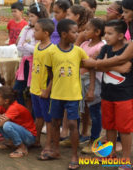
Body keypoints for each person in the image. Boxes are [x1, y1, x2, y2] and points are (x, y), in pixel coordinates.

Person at [44, 19, 90, 169]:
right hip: (56, 95)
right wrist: (54, 86)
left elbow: (91, 66)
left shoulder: (78, 51)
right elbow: (50, 71)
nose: (77, 34)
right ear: (64, 34)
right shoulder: (51, 52)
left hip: (74, 95)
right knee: (55, 122)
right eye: (74, 32)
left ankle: (74, 155)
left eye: (77, 31)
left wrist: (91, 88)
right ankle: (56, 150)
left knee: (72, 123)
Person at [96, 20, 133, 165]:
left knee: (124, 129)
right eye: (105, 33)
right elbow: (98, 67)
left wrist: (105, 64)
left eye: (110, 33)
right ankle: (110, 154)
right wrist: (115, 66)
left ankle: (126, 158)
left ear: (120, 36)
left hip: (124, 96)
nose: (106, 36)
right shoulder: (105, 49)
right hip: (107, 95)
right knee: (109, 126)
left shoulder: (129, 50)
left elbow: (127, 68)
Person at [0, 87, 37, 158]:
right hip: (23, 135)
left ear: (6, 101)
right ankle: (12, 143)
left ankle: (22, 148)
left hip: (29, 137)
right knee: (1, 123)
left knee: (7, 125)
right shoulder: (2, 106)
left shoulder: (14, 107)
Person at [30, 18, 55, 160]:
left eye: (37, 30)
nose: (34, 32)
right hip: (35, 89)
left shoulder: (52, 50)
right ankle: (37, 140)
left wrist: (47, 90)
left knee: (49, 119)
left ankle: (49, 145)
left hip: (44, 92)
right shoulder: (37, 46)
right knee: (38, 116)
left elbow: (53, 74)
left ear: (46, 33)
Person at [79, 18, 105, 154]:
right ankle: (84, 136)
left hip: (92, 83)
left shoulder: (100, 47)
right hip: (81, 80)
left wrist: (90, 88)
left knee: (95, 112)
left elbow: (93, 68)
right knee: (83, 111)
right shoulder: (84, 44)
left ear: (97, 32)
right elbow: (81, 61)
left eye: (88, 29)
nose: (84, 31)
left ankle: (95, 141)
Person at [14, 3, 47, 107]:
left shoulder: (42, 31)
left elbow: (38, 50)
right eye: (29, 16)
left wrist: (26, 46)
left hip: (36, 65)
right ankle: (22, 111)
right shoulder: (27, 29)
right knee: (17, 89)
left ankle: (33, 116)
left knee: (32, 92)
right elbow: (19, 46)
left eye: (32, 16)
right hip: (25, 63)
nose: (30, 18)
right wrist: (28, 47)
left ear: (40, 17)